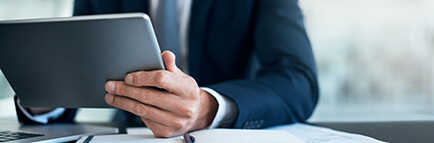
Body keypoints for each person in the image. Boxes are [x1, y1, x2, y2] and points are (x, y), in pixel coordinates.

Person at [15, 0, 319, 138]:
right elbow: (75, 64)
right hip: (131, 136)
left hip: (226, 133)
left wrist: (205, 107)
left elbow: (298, 79)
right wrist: (43, 91)